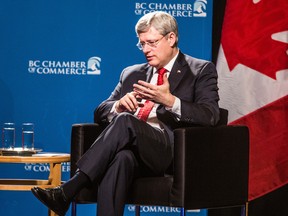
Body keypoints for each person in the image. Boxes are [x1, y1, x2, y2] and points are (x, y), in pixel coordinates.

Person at [31, 11, 220, 216]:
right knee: (121, 158)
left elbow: (210, 115)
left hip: (171, 152)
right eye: (142, 44)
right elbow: (100, 111)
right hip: (134, 151)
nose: (146, 50)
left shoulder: (199, 70)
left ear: (171, 38)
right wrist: (118, 106)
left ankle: (70, 188)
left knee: (125, 122)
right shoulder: (132, 73)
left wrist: (170, 101)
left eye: (152, 42)